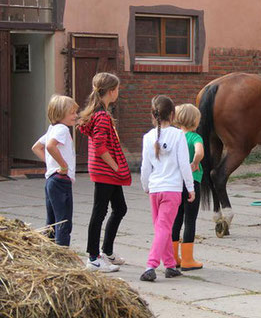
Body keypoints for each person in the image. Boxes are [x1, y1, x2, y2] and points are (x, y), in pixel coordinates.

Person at [79, 72, 131, 272]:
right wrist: (116, 166)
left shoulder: (100, 113)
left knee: (120, 208)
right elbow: (100, 147)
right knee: (99, 212)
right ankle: (93, 258)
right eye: (117, 89)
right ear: (111, 91)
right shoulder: (101, 117)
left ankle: (107, 251)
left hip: (106, 172)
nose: (118, 92)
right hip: (105, 172)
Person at [140, 95, 196, 282]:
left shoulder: (147, 137)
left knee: (160, 229)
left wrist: (145, 185)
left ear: (152, 114)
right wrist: (190, 187)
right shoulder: (178, 135)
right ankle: (151, 265)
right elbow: (184, 164)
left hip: (154, 189)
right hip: (172, 189)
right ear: (172, 114)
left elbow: (145, 167)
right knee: (164, 228)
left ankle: (170, 265)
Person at [31, 95, 79, 247]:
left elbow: (36, 147)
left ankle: (50, 250)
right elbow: (51, 146)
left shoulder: (52, 129)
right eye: (72, 113)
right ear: (60, 113)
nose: (75, 116)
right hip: (61, 180)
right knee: (63, 221)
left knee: (51, 220)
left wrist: (51, 164)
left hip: (51, 179)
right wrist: (63, 165)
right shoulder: (62, 129)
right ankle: (62, 251)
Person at [171, 103, 204, 271]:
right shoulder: (195, 138)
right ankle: (188, 259)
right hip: (192, 182)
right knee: (189, 220)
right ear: (195, 121)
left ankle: (173, 257)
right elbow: (199, 152)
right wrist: (195, 163)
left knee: (176, 219)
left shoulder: (175, 136)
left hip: (176, 183)